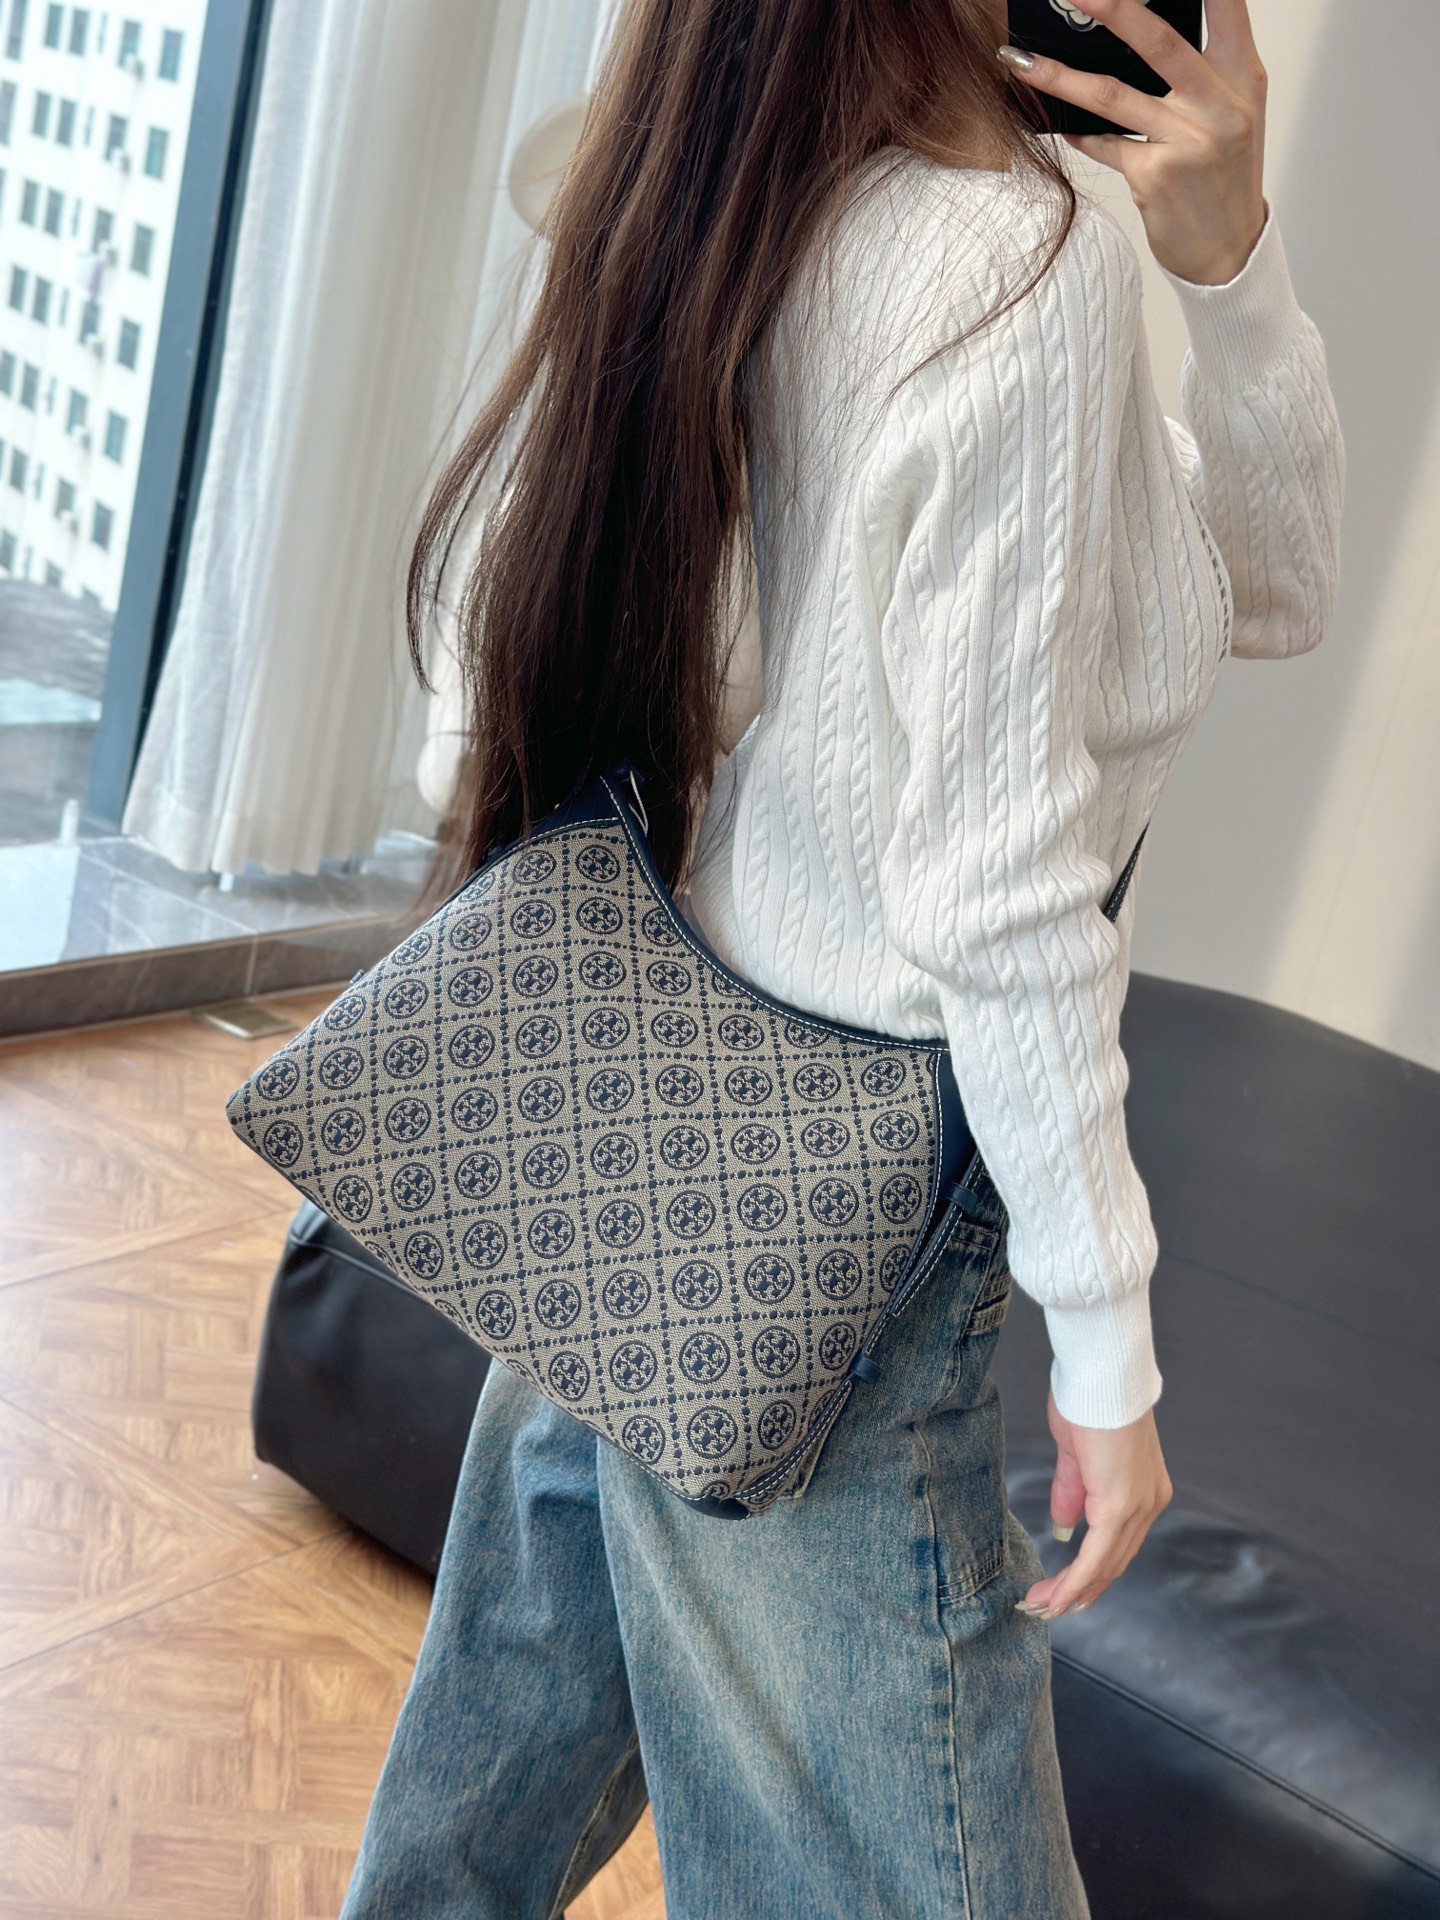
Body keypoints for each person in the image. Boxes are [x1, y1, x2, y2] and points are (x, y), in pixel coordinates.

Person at [340, 0, 1344, 1912]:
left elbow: (1263, 583)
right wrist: (1108, 1345)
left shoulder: (714, 165)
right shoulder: (1015, 264)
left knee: (479, 1806)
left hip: (654, 1092)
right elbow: (997, 887)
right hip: (842, 1208)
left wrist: (1228, 265)